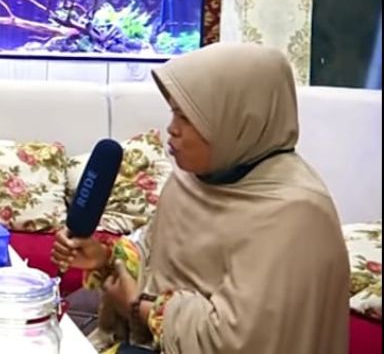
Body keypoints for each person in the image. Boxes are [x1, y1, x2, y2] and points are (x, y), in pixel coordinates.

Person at [52, 42, 350, 353]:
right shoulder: (190, 181)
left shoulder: (296, 214)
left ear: (237, 121)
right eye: (173, 113)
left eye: (187, 118)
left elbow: (241, 342)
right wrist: (104, 258)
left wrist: (140, 307)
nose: (172, 129)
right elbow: (155, 260)